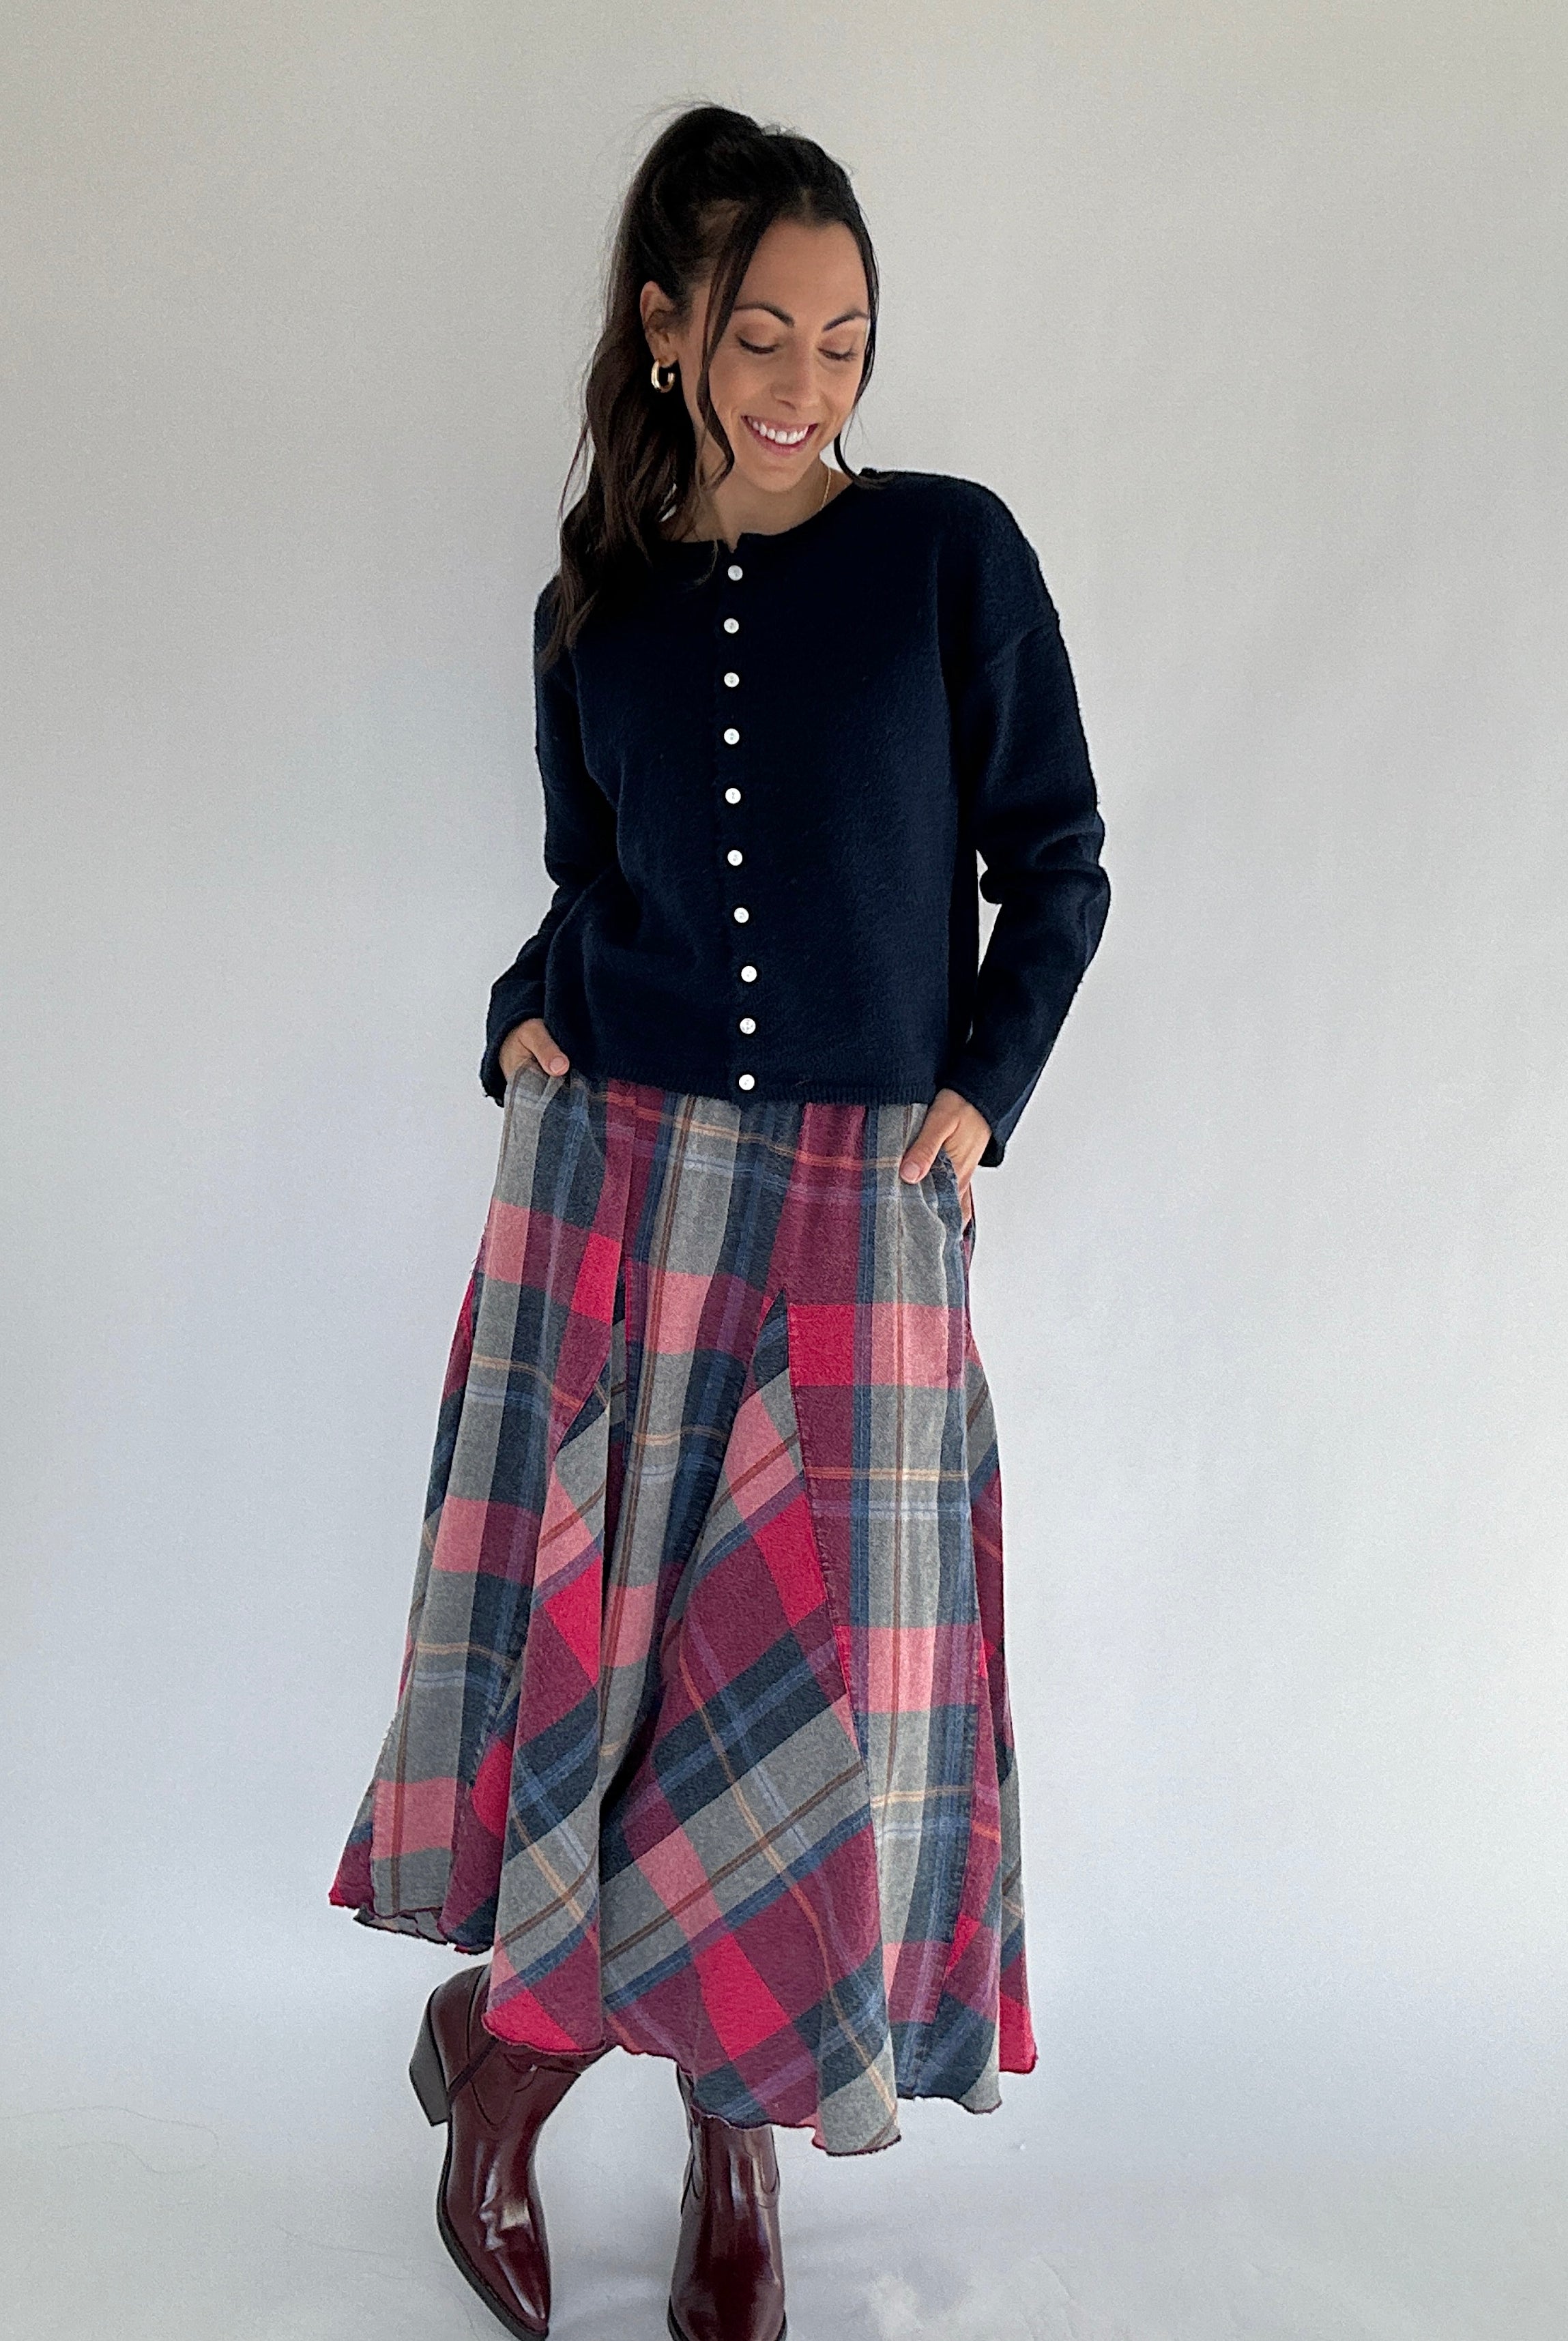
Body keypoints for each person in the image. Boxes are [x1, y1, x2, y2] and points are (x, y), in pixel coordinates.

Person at [330, 100, 1111, 2341]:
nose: (803, 382)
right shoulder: (601, 605)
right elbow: (590, 887)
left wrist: (978, 1090)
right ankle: (571, 2100)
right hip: (631, 1176)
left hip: (869, 1195)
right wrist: (519, 1022)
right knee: (633, 1671)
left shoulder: (953, 556)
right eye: (760, 333)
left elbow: (1055, 859)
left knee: (814, 1696)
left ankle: (605, 2080)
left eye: (846, 341)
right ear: (666, 331)